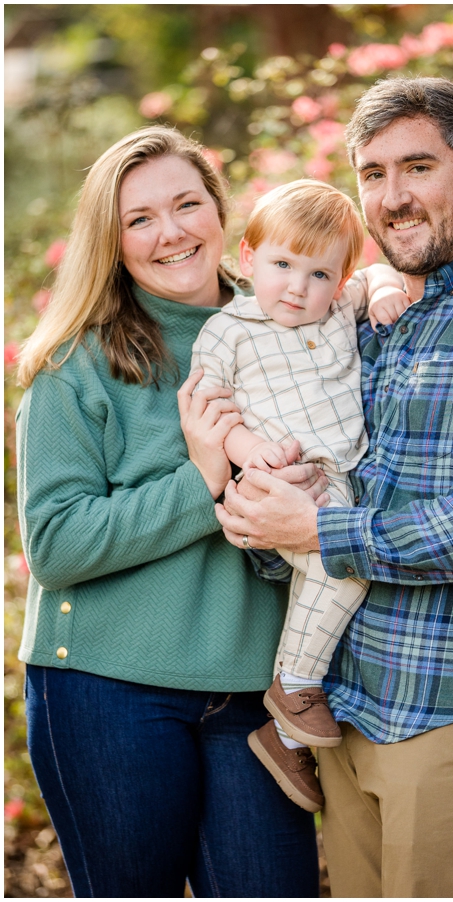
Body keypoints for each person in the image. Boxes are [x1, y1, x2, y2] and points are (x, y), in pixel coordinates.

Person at [206, 77, 453, 897]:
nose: (392, 196)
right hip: (349, 711)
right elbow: (327, 496)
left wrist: (317, 530)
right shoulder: (371, 324)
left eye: (417, 167)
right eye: (373, 173)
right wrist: (264, 508)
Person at [14, 126, 324, 897]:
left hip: (254, 699)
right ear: (111, 242)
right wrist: (203, 478)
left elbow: (351, 291)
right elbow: (54, 545)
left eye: (187, 204)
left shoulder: (292, 327)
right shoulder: (74, 367)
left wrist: (380, 288)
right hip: (108, 689)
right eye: (140, 219)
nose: (172, 232)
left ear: (222, 213)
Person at [190, 179, 411, 812]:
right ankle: (296, 689)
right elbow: (210, 408)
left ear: (336, 282)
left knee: (341, 569)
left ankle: (285, 733)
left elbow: (373, 276)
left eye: (318, 274)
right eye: (282, 264)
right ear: (250, 256)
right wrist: (242, 450)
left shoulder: (341, 305)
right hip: (271, 480)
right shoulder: (229, 330)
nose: (296, 286)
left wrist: (389, 287)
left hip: (337, 478)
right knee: (343, 570)